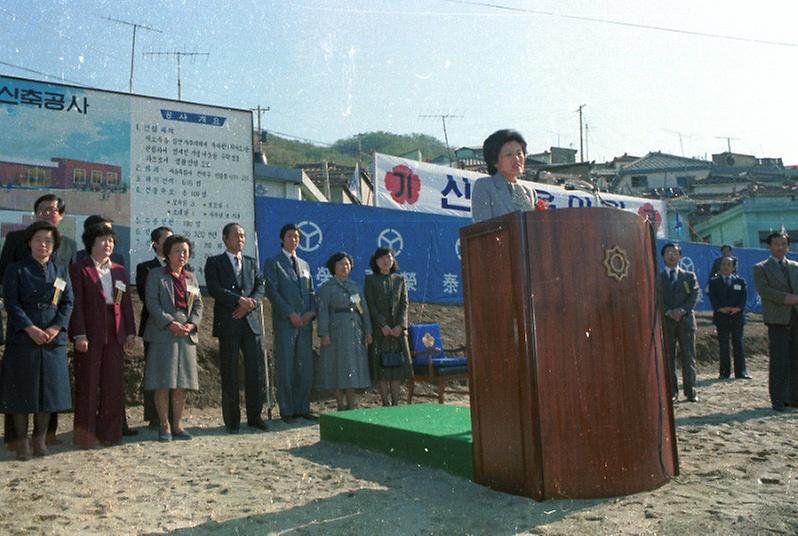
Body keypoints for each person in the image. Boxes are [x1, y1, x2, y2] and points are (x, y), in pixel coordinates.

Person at [0, 193, 77, 446]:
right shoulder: (15, 240)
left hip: (53, 327)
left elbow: (68, 293)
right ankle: (15, 438)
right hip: (24, 327)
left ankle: (47, 437)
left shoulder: (68, 245)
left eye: (52, 210)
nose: (47, 213)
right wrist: (27, 324)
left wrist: (58, 326)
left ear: (61, 215)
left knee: (50, 386)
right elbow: (6, 283)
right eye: (42, 209)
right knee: (20, 385)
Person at [69, 224, 136, 448]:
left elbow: (125, 304)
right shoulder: (79, 268)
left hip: (115, 329)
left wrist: (130, 333)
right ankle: (85, 436)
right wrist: (79, 334)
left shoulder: (119, 270)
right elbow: (76, 304)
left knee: (113, 383)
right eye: (102, 240)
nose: (107, 244)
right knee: (88, 383)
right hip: (90, 329)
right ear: (91, 243)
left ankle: (111, 434)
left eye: (111, 241)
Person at [205, 223, 268, 433]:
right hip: (229, 322)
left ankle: (255, 417)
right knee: (230, 372)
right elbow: (215, 288)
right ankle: (232, 421)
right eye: (236, 235)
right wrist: (238, 301)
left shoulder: (251, 262)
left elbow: (260, 287)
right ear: (225, 238)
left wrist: (250, 303)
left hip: (250, 323)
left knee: (255, 371)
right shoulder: (214, 262)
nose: (240, 239)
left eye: (243, 235)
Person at [143, 235, 203, 441]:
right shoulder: (156, 275)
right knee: (163, 382)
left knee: (181, 383)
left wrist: (191, 324)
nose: (182, 255)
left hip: (186, 336)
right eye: (177, 251)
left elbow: (198, 306)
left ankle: (177, 425)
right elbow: (152, 303)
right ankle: (164, 425)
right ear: (168, 253)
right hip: (163, 334)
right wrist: (170, 323)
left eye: (185, 251)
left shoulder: (191, 278)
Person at [263, 223, 317, 424]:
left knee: (305, 367)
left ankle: (302, 407)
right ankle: (287, 410)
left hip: (304, 324)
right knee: (285, 367)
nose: (293, 240)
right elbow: (273, 292)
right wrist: (289, 313)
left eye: (296, 237)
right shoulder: (273, 263)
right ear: (281, 239)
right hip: (286, 323)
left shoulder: (304, 264)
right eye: (289, 236)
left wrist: (311, 312)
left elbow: (311, 291)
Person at [316, 251, 372, 411]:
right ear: (333, 267)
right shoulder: (327, 288)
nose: (344, 267)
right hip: (336, 331)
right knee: (337, 366)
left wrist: (368, 330)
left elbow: (363, 310)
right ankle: (340, 403)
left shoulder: (355, 287)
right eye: (340, 264)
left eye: (347, 264)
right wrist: (324, 333)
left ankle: (352, 402)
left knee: (353, 367)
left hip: (354, 331)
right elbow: (323, 312)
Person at [752, 232, 798, 412]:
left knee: (796, 359)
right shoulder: (761, 268)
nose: (780, 247)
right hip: (777, 320)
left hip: (796, 318)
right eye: (777, 244)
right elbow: (765, 292)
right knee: (779, 361)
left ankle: (794, 397)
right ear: (769, 246)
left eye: (784, 243)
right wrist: (790, 298)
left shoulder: (795, 266)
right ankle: (778, 400)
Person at [364, 247, 413, 406]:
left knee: (397, 369)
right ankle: (385, 403)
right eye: (382, 258)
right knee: (382, 369)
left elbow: (405, 304)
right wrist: (382, 325)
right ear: (376, 261)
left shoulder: (400, 279)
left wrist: (400, 325)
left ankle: (396, 403)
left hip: (397, 332)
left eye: (389, 257)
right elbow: (370, 305)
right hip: (381, 332)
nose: (386, 260)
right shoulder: (371, 280)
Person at [135, 226, 173, 429]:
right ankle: (154, 416)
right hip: (154, 326)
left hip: (178, 328)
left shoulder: (185, 268)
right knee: (154, 372)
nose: (170, 242)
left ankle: (174, 416)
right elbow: (146, 297)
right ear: (155, 244)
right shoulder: (145, 268)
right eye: (166, 239)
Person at [659, 243, 699, 403]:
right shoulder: (658, 277)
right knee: (668, 358)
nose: (671, 255)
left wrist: (682, 311)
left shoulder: (689, 276)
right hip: (667, 322)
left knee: (688, 357)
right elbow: (656, 298)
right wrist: (668, 311)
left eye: (675, 253)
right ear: (663, 256)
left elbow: (694, 296)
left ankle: (691, 392)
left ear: (680, 256)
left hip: (686, 322)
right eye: (668, 252)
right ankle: (672, 392)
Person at [471, 129, 537, 223]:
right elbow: (482, 227)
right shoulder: (484, 186)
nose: (517, 159)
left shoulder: (530, 192)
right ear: (494, 161)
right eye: (509, 154)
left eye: (519, 153)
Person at [707, 257, 750, 380]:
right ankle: (724, 373)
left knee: (739, 344)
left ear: (733, 267)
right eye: (723, 264)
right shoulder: (714, 282)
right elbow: (713, 297)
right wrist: (720, 308)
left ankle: (741, 372)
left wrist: (738, 308)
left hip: (737, 316)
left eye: (729, 264)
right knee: (724, 345)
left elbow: (743, 297)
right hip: (721, 316)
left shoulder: (740, 281)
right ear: (720, 266)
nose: (726, 266)